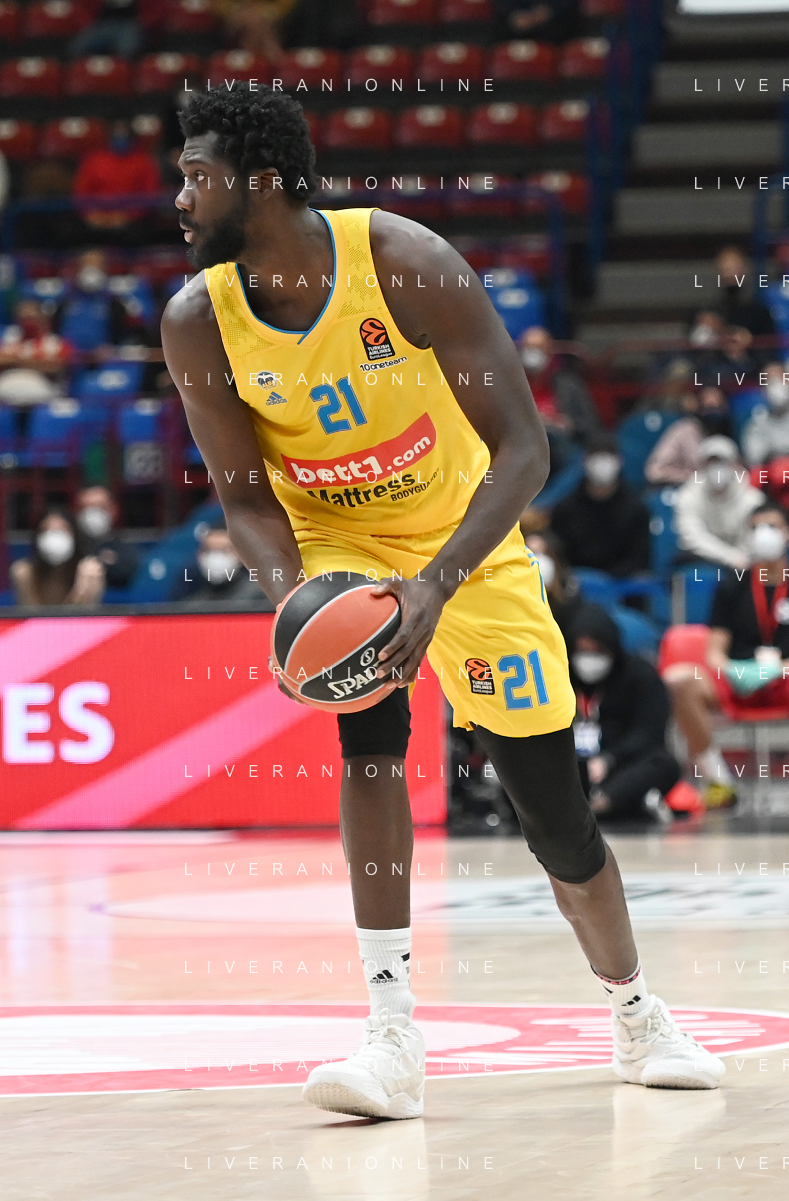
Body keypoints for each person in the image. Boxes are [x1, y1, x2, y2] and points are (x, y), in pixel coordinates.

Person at [160, 82, 724, 1119]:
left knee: (553, 813)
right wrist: (302, 601)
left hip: (465, 540)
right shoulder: (199, 320)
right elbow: (242, 497)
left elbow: (525, 447)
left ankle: (637, 1013)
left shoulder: (402, 262)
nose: (180, 200)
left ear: (264, 182)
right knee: (369, 744)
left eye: (197, 178)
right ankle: (391, 1035)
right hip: (336, 546)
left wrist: (435, 582)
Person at [663, 502, 789, 808]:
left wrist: (780, 669)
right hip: (741, 680)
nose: (764, 534)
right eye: (756, 528)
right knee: (680, 680)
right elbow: (715, 652)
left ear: (786, 533)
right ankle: (719, 782)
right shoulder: (733, 584)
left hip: (785, 680)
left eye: (771, 527)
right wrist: (734, 670)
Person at [569, 605, 680, 825]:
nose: (589, 659)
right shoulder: (560, 678)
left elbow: (649, 734)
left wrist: (608, 760)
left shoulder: (640, 676)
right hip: (569, 768)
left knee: (663, 764)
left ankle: (600, 805)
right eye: (582, 651)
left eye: (596, 651)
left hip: (618, 765)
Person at [550, 434, 652, 578]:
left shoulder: (637, 510)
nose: (602, 464)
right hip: (576, 583)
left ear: (620, 461)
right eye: (596, 456)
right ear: (584, 460)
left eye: (608, 456)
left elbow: (640, 557)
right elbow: (559, 555)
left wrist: (609, 581)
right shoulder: (565, 509)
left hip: (622, 585)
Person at [673, 435, 764, 570]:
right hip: (703, 559)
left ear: (736, 464)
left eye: (723, 462)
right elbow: (692, 537)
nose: (717, 468)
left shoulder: (753, 499)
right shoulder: (688, 495)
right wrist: (730, 557)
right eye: (711, 463)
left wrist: (741, 557)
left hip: (743, 562)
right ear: (702, 466)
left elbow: (752, 538)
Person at [73, 120, 163, 243]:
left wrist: (128, 216)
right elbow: (81, 193)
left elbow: (150, 195)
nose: (120, 138)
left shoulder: (144, 161)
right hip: (96, 218)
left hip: (132, 221)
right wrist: (92, 215)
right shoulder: (93, 160)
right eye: (117, 134)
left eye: (123, 134)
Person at [10, 509, 105, 606]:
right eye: (47, 530)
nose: (54, 536)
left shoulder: (89, 571)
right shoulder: (25, 572)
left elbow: (84, 614)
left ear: (74, 536)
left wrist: (83, 589)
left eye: (62, 530)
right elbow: (32, 613)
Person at [645, 385, 733, 486]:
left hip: (724, 491)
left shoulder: (732, 430)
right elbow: (655, 471)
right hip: (687, 488)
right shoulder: (683, 431)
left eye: (717, 407)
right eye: (708, 407)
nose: (712, 413)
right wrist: (692, 477)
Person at [171, 521, 268, 605]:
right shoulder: (192, 605)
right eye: (209, 550)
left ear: (240, 554)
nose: (216, 557)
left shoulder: (261, 598)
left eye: (224, 551)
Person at [74, 486, 139, 590]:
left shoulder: (127, 549)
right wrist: (104, 559)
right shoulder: (71, 547)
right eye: (87, 508)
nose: (93, 514)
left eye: (100, 507)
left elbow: (124, 571)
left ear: (113, 510)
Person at [742, 361, 789, 469]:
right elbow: (754, 458)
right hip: (773, 472)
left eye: (780, 379)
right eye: (769, 381)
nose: (776, 385)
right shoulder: (756, 421)